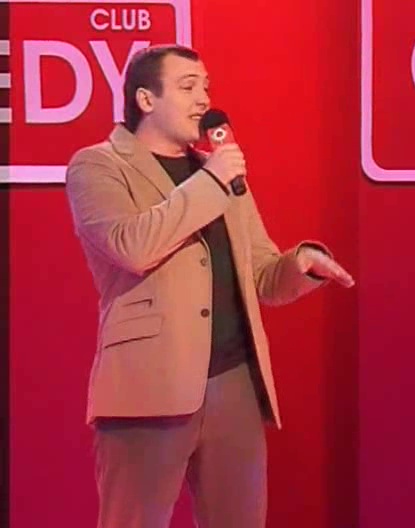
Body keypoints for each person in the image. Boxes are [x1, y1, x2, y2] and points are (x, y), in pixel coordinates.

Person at [65, 44, 354, 528]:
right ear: (145, 99)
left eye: (206, 87)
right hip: (148, 386)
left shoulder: (217, 170)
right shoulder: (98, 165)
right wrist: (212, 182)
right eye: (187, 87)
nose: (203, 99)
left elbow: (263, 274)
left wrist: (301, 265)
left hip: (234, 383)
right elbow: (132, 246)